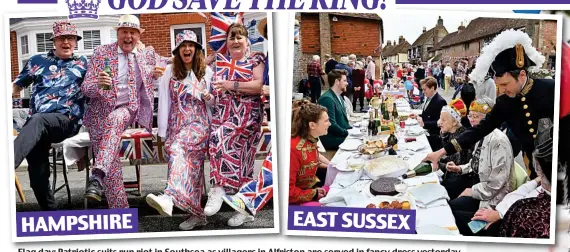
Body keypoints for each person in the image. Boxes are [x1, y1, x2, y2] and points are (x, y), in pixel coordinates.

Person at [424, 29, 554, 180]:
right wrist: (440, 153)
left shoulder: (552, 89)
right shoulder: (504, 102)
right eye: (499, 86)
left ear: (522, 75)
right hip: (534, 168)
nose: (502, 90)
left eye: (505, 84)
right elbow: (478, 131)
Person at [82, 14, 160, 208]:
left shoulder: (145, 55)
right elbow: (86, 88)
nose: (128, 36)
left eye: (132, 32)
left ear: (138, 36)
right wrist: (98, 85)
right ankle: (121, 214)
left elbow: (172, 62)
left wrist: (209, 58)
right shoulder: (101, 53)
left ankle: (97, 174)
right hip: (99, 115)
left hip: (126, 110)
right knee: (113, 171)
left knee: (116, 118)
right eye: (124, 31)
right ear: (118, 33)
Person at [12, 20, 87, 210]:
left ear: (76, 42)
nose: (66, 43)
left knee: (38, 120)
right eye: (62, 38)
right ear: (54, 41)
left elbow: (97, 88)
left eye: (70, 38)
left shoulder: (83, 63)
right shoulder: (37, 61)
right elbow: (17, 86)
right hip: (37, 127)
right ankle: (51, 214)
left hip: (66, 122)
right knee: (37, 176)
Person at [145, 30, 214, 230]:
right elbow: (164, 102)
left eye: (191, 45)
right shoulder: (170, 72)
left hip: (199, 125)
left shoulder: (206, 72)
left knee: (177, 151)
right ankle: (196, 214)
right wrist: (163, 132)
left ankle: (168, 196)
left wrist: (207, 96)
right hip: (177, 125)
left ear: (196, 49)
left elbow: (214, 104)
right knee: (190, 169)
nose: (187, 49)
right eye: (183, 45)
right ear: (177, 50)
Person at [205, 23, 266, 216]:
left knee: (219, 140)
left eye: (240, 37)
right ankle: (244, 207)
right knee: (240, 160)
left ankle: (218, 188)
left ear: (247, 41)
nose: (235, 40)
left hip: (247, 115)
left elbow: (259, 85)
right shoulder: (219, 62)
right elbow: (197, 67)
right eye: (231, 37)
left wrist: (231, 84)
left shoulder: (256, 59)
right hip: (222, 113)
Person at [471, 119, 553, 238]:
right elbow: (524, 191)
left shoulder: (534, 215)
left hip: (502, 216)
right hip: (500, 209)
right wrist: (499, 212)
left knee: (466, 224)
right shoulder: (542, 186)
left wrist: (500, 214)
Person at [448, 98, 515, 236]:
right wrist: (460, 168)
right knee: (448, 205)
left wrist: (472, 191)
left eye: (476, 116)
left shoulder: (498, 141)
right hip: (482, 190)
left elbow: (496, 184)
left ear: (487, 120)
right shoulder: (481, 135)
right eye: (470, 116)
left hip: (494, 200)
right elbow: (477, 161)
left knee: (452, 215)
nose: (471, 120)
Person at [289, 102, 331, 204]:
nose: (330, 124)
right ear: (312, 125)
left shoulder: (309, 139)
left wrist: (332, 166)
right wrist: (313, 193)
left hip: (309, 186)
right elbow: (287, 192)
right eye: (326, 121)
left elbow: (311, 162)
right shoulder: (293, 149)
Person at [437, 99, 475, 199]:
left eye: (443, 120)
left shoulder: (461, 138)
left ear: (454, 122)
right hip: (455, 174)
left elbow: (455, 165)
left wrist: (440, 164)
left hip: (463, 179)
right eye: (440, 119)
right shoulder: (451, 133)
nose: (439, 122)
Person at [410, 77, 446, 151]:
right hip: (427, 132)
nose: (423, 92)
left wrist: (424, 124)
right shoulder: (429, 97)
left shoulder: (440, 101)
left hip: (433, 136)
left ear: (432, 88)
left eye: (425, 89)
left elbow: (440, 122)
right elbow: (427, 115)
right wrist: (417, 116)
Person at [318, 69, 351, 150]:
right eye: (344, 80)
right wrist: (347, 133)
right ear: (337, 82)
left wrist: (352, 130)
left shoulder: (339, 96)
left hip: (340, 134)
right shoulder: (327, 99)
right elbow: (331, 124)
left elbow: (342, 121)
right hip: (333, 139)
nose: (347, 83)